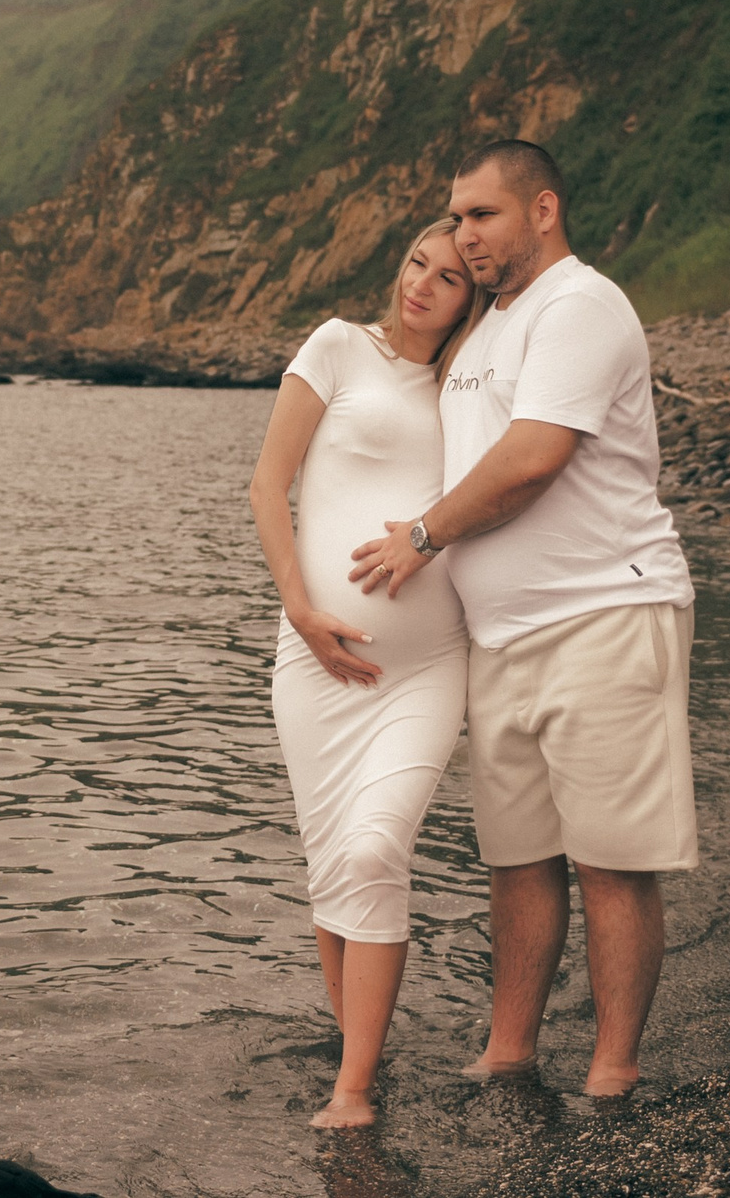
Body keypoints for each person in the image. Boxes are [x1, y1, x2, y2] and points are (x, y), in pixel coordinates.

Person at [351, 140, 696, 1097]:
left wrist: (419, 538)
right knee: (518, 860)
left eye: (481, 216)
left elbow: (534, 456)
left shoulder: (579, 305)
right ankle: (510, 1052)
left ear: (542, 209)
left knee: (612, 864)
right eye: (455, 218)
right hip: (502, 639)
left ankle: (614, 1070)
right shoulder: (492, 326)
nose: (463, 235)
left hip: (603, 615)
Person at [248, 218, 478, 1129]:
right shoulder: (338, 347)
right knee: (333, 869)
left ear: (474, 297)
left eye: (450, 277)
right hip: (315, 667)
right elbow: (270, 484)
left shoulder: (469, 383)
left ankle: (352, 1091)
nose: (421, 284)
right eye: (417, 263)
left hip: (428, 666)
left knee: (376, 847)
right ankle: (359, 1053)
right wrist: (302, 610)